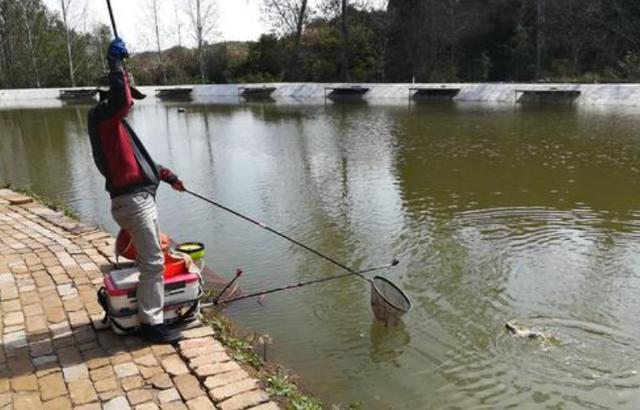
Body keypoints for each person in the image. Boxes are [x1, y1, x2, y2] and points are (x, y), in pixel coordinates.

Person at [88, 38, 184, 343]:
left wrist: (170, 177)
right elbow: (123, 100)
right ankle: (151, 325)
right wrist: (116, 63)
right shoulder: (105, 117)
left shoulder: (115, 127)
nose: (132, 105)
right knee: (154, 262)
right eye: (130, 95)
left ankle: (145, 315)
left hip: (137, 200)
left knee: (150, 259)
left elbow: (144, 165)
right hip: (133, 202)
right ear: (112, 94)